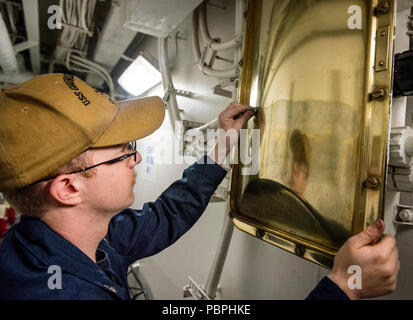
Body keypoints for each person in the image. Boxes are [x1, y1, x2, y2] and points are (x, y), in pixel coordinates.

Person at [0, 74, 399, 300]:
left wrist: (223, 148)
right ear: (68, 190)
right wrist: (344, 287)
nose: (136, 159)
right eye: (124, 151)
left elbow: (166, 215)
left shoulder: (73, 238)